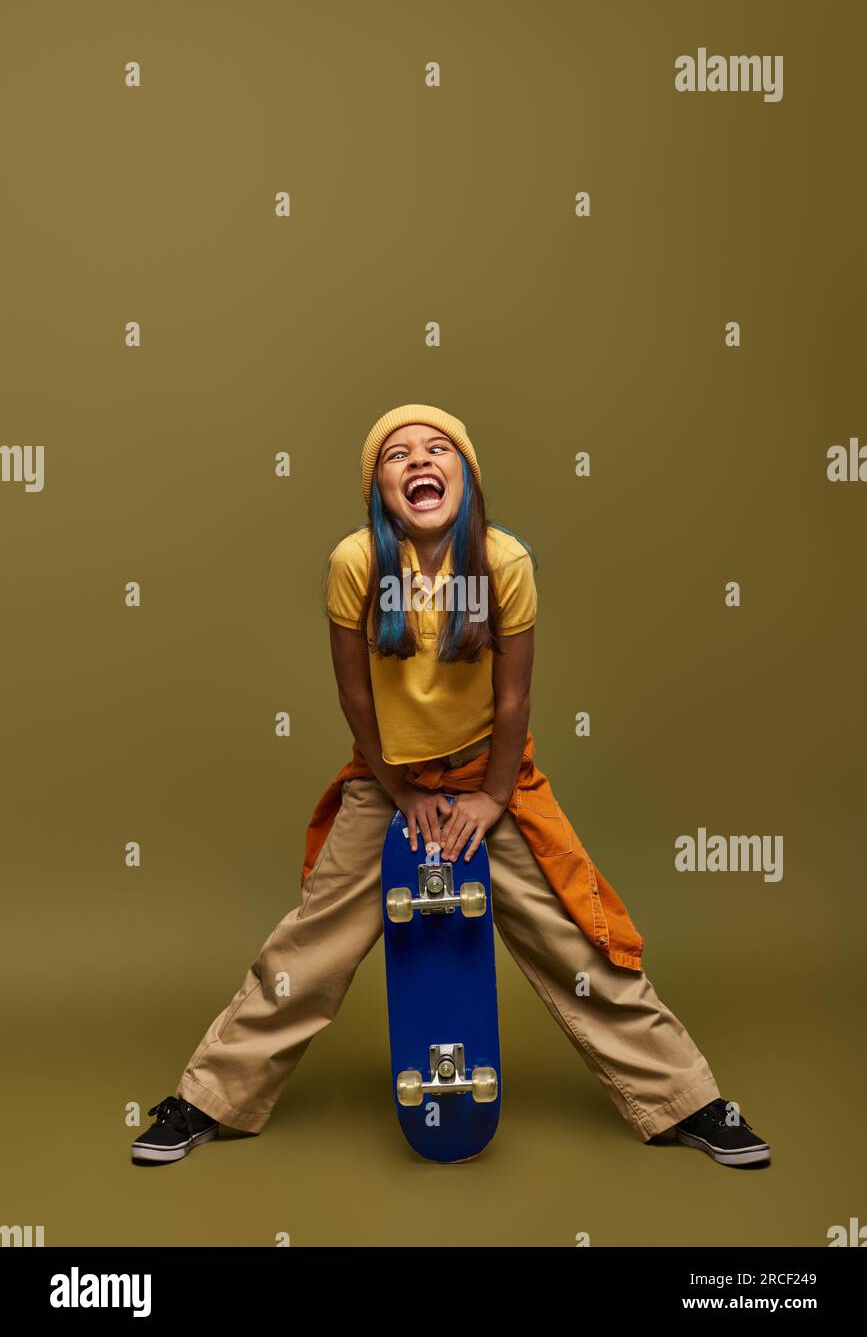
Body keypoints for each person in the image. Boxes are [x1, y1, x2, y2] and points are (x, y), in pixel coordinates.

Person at [132, 404, 770, 1169]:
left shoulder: (503, 561)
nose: (417, 461)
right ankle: (207, 1099)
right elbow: (356, 698)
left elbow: (512, 699)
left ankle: (686, 1101)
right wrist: (400, 793)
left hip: (488, 777)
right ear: (380, 490)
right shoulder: (356, 562)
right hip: (389, 782)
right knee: (309, 948)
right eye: (396, 455)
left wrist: (493, 798)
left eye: (438, 449)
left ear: (465, 477)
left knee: (575, 940)